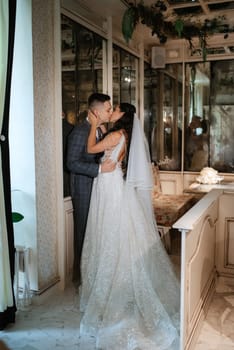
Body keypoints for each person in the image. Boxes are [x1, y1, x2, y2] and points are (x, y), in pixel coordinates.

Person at [79, 103, 180, 350]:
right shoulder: (124, 135)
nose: (111, 112)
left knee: (110, 232)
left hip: (109, 184)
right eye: (109, 108)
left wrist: (93, 125)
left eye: (115, 110)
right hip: (113, 183)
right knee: (115, 232)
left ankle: (114, 288)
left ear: (123, 115)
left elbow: (91, 148)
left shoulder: (115, 134)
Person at [66, 93, 116, 287]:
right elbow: (71, 163)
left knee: (95, 232)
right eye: (108, 108)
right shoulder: (80, 131)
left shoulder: (100, 131)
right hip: (83, 190)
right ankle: (80, 281)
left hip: (97, 188)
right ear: (96, 111)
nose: (110, 112)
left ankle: (93, 276)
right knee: (84, 233)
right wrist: (99, 169)